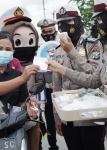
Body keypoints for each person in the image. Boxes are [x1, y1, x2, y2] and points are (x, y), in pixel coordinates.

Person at [47, 1, 107, 150]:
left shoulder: (92, 45)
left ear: (78, 22)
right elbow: (57, 85)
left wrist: (72, 53)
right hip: (68, 117)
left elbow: (94, 76)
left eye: (68, 21)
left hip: (91, 117)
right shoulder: (57, 50)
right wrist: (57, 117)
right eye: (61, 23)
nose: (64, 26)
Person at [0, 6, 44, 150]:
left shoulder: (34, 62)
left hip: (31, 107)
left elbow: (40, 81)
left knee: (35, 133)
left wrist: (40, 102)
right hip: (2, 112)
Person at [37, 18, 59, 150]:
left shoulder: (63, 45)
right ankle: (53, 145)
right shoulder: (39, 50)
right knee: (50, 120)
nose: (47, 34)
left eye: (50, 31)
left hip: (62, 89)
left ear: (55, 31)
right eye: (44, 32)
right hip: (48, 90)